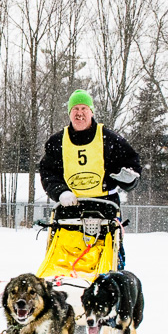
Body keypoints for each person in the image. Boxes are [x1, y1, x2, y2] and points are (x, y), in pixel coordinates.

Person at [39, 89, 141, 268]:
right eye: (75, 109)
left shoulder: (110, 140)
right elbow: (48, 173)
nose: (79, 113)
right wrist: (60, 192)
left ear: (91, 111)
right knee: (62, 263)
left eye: (84, 108)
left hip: (105, 208)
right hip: (69, 211)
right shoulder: (57, 142)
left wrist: (127, 178)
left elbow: (132, 166)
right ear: (69, 113)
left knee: (109, 262)